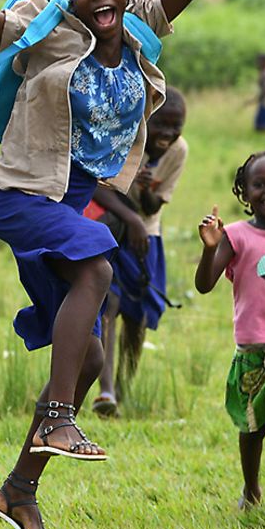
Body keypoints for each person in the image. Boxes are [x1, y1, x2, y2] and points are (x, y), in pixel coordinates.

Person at [0, 0, 216, 529]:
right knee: (99, 267)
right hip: (21, 199)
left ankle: (18, 490)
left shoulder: (142, 21)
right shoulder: (47, 26)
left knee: (88, 354)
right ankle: (60, 416)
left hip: (67, 202)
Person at [194, 148, 265, 509]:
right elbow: (205, 284)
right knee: (252, 426)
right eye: (259, 184)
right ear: (245, 193)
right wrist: (210, 250)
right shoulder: (237, 236)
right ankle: (251, 488)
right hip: (253, 349)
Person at [91, 87, 188, 416]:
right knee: (107, 305)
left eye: (176, 127)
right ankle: (105, 392)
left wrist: (145, 189)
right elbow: (97, 188)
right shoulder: (126, 135)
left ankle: (122, 387)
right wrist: (130, 216)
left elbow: (151, 208)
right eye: (161, 125)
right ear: (147, 119)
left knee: (139, 316)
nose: (168, 134)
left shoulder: (179, 151)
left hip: (147, 237)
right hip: (111, 229)